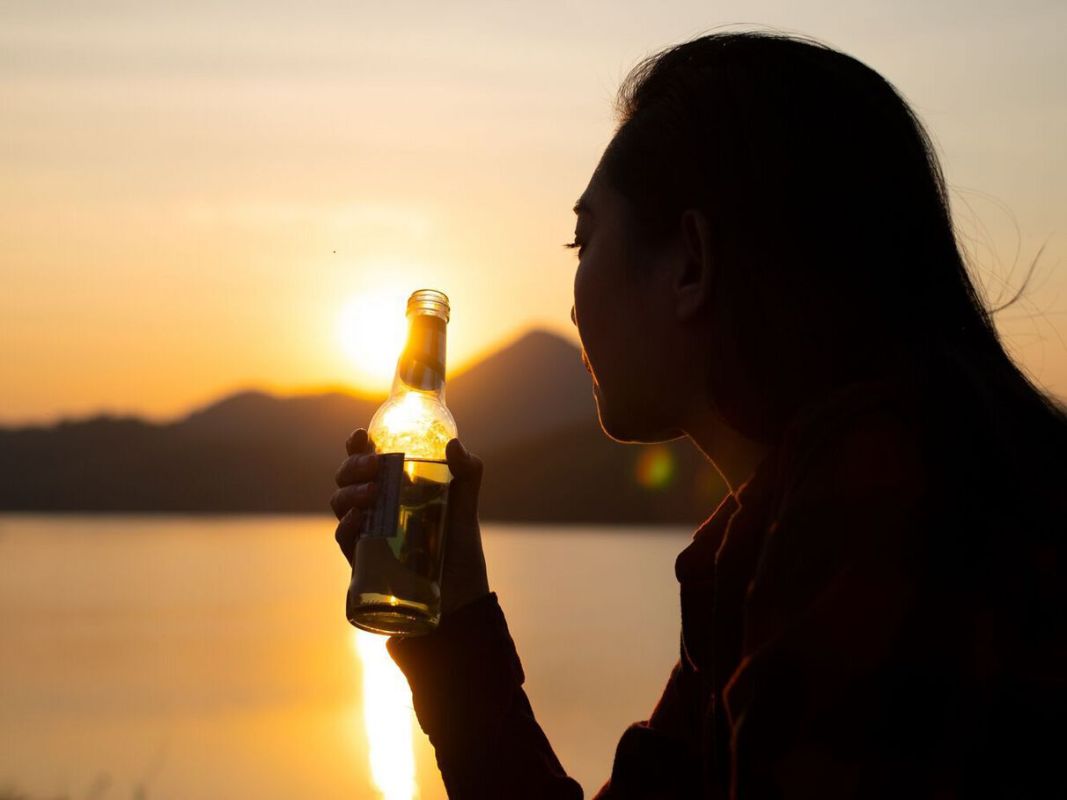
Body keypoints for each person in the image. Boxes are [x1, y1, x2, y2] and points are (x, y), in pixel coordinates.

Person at [331, 31, 1067, 798]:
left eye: (581, 241)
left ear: (691, 261)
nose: (573, 300)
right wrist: (451, 615)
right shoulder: (764, 545)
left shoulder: (885, 511)